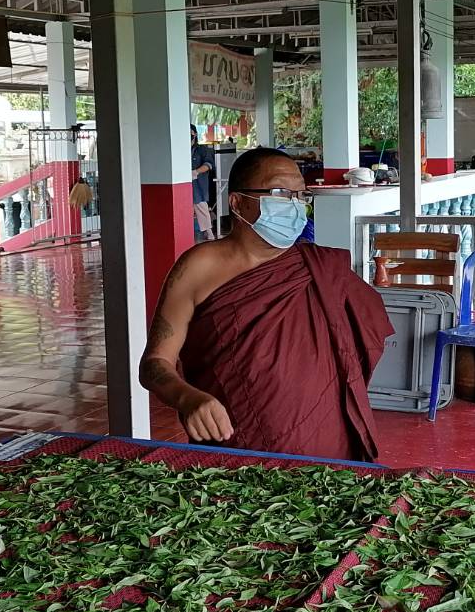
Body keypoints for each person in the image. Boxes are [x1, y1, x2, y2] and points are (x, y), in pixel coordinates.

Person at [139, 147, 393, 461]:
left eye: (301, 196)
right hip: (235, 447)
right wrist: (187, 398)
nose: (295, 205)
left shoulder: (318, 269)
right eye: (280, 193)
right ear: (237, 202)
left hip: (325, 447)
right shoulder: (197, 268)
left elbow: (361, 342)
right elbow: (153, 365)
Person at [191, 124, 216, 241]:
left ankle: (209, 232)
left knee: (201, 207)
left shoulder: (202, 150)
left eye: (190, 132)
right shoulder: (180, 150)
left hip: (198, 184)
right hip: (183, 184)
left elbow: (209, 165)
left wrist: (196, 172)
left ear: (195, 134)